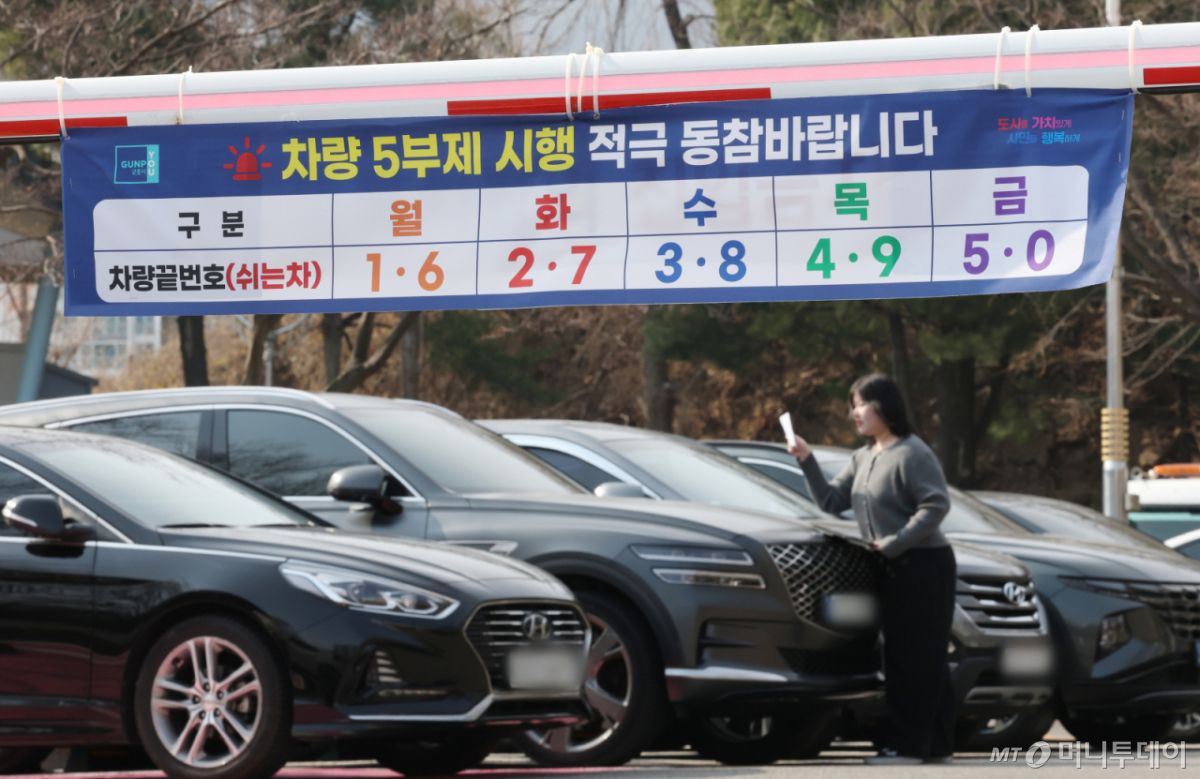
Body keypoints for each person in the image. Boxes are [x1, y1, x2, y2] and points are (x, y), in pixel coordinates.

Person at [787, 373, 955, 766]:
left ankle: (906, 747)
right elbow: (830, 501)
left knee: (914, 658)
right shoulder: (862, 457)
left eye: (862, 404)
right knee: (916, 657)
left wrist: (895, 542)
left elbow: (936, 505)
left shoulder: (913, 453)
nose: (854, 413)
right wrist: (806, 459)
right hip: (890, 567)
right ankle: (938, 744)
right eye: (852, 405)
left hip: (923, 565)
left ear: (885, 406)